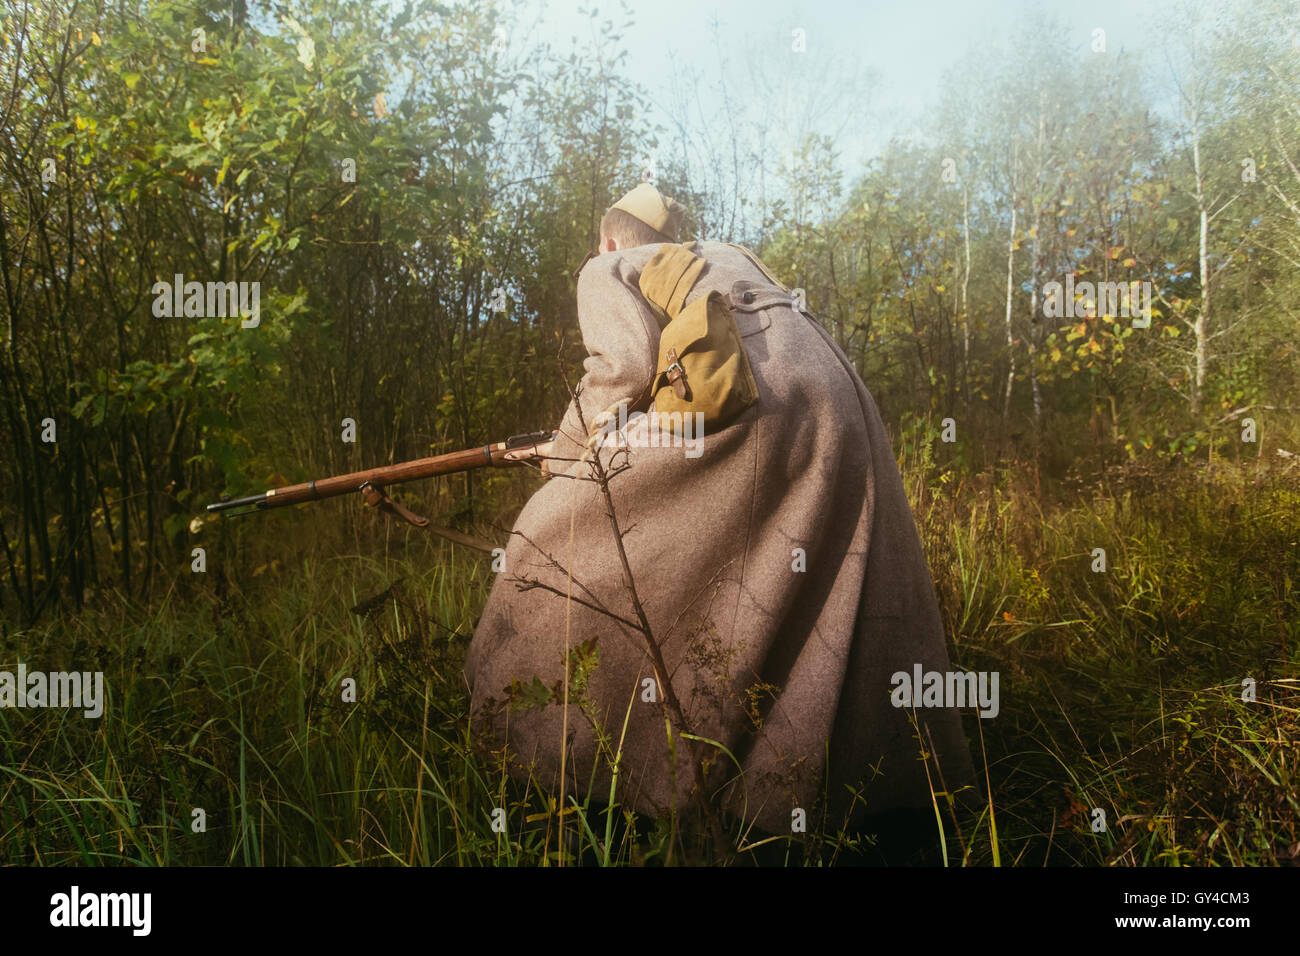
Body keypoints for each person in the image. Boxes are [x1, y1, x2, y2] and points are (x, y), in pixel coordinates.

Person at [463, 183, 973, 844]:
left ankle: (546, 756)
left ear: (611, 239)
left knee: (551, 539)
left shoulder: (609, 266)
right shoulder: (730, 253)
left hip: (755, 405)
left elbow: (622, 370)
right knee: (827, 580)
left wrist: (562, 458)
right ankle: (883, 798)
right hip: (838, 396)